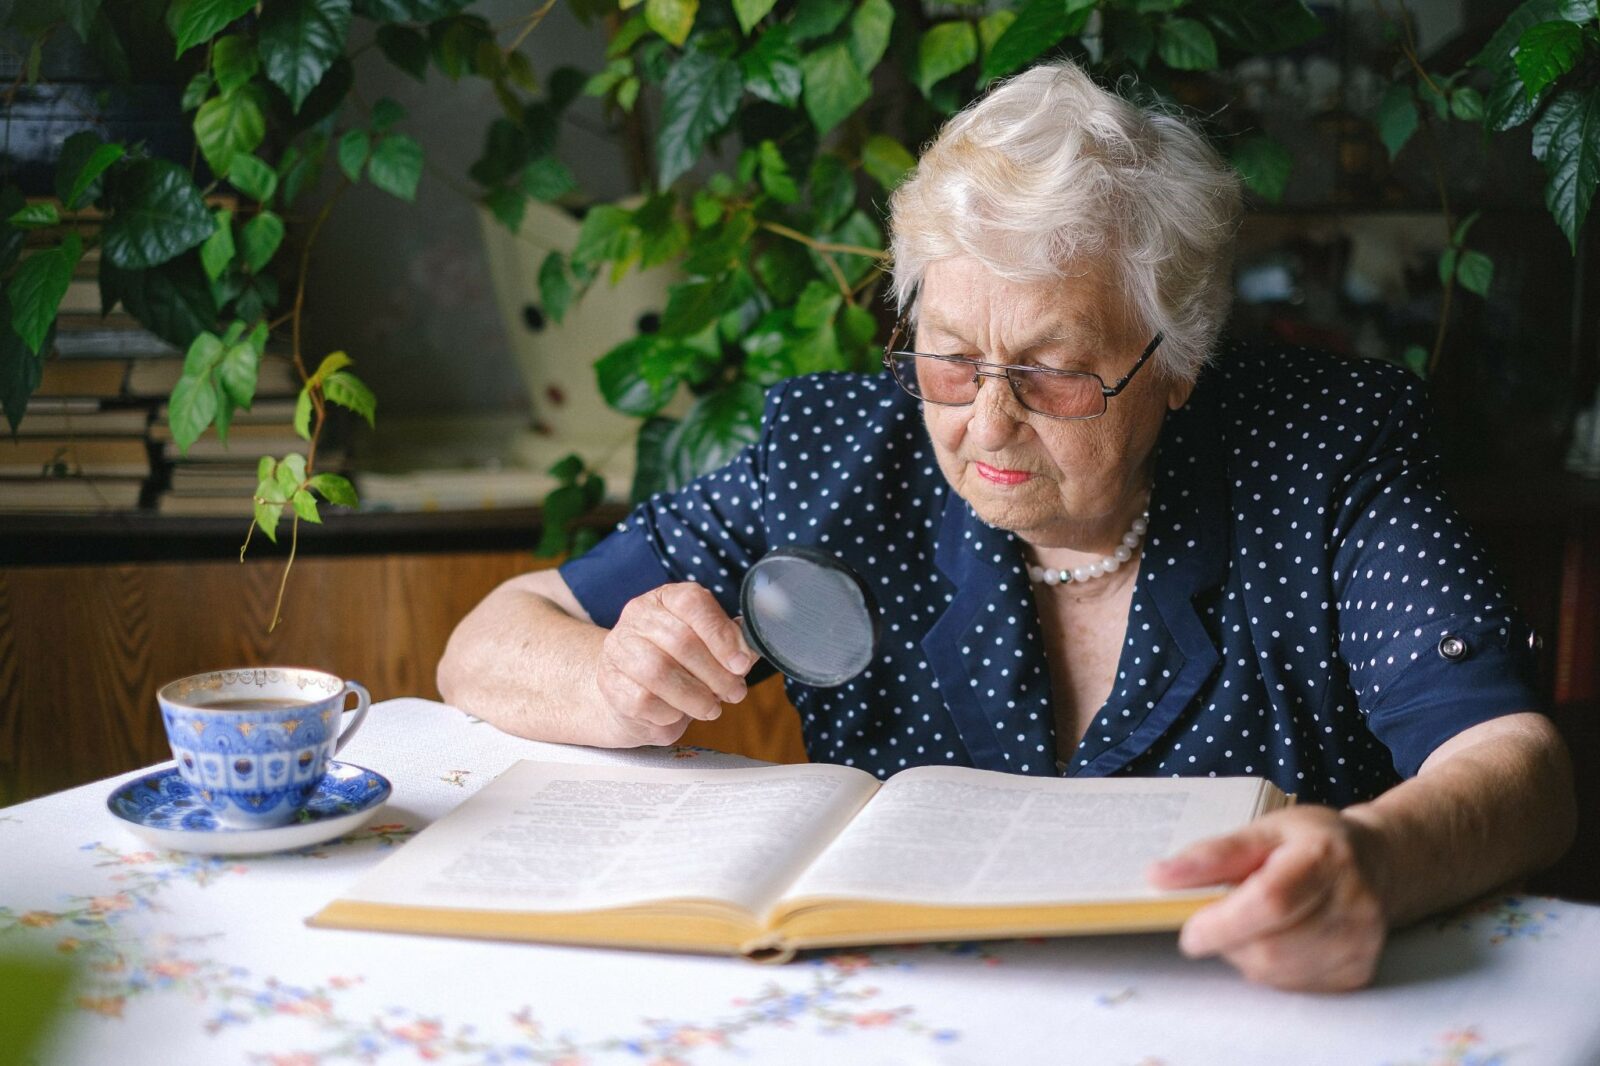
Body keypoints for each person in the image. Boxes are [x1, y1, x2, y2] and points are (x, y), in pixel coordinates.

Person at [438, 60, 1576, 992]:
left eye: (1055, 372)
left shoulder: (1321, 451)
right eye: (948, 355)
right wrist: (608, 678)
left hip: (1247, 1006)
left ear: (1172, 363)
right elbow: (492, 637)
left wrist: (1374, 855)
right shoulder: (838, 455)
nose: (987, 419)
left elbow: (1511, 764)